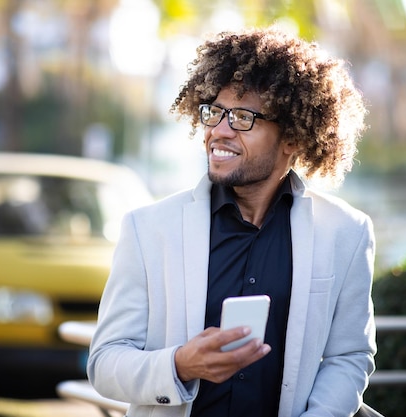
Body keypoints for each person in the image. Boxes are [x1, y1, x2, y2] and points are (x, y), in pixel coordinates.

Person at [87, 26, 377, 417]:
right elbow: (104, 363)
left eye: (243, 117)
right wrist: (180, 365)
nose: (219, 131)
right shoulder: (148, 229)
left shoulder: (346, 232)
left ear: (291, 137)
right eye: (215, 112)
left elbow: (348, 357)